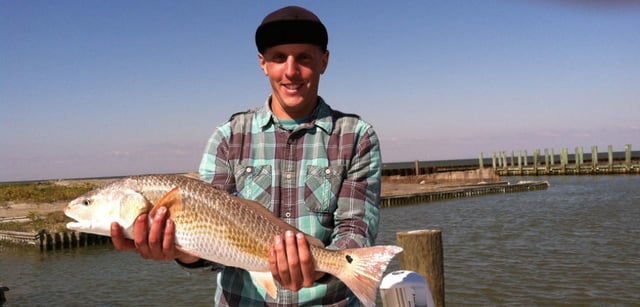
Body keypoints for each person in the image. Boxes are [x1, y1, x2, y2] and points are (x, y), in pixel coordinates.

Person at [111, 5, 382, 306]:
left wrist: (319, 268)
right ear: (263, 63)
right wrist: (180, 252)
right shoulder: (228, 137)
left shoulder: (357, 136)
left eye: (303, 57)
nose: (290, 71)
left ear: (324, 61)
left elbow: (355, 230)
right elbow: (212, 242)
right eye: (279, 58)